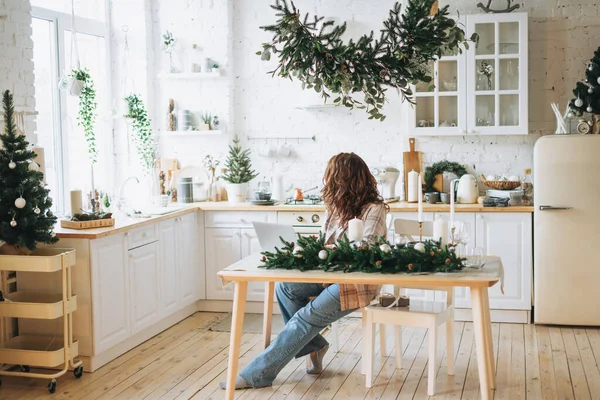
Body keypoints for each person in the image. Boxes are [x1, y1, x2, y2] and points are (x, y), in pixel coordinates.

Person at [220, 152, 389, 390]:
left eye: (331, 178)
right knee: (285, 287)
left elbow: (364, 248)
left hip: (355, 284)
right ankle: (315, 345)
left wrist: (327, 250)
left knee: (303, 318)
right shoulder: (335, 208)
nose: (326, 182)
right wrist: (305, 249)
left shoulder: (375, 209)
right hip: (326, 276)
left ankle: (258, 374)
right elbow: (323, 244)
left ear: (346, 180)